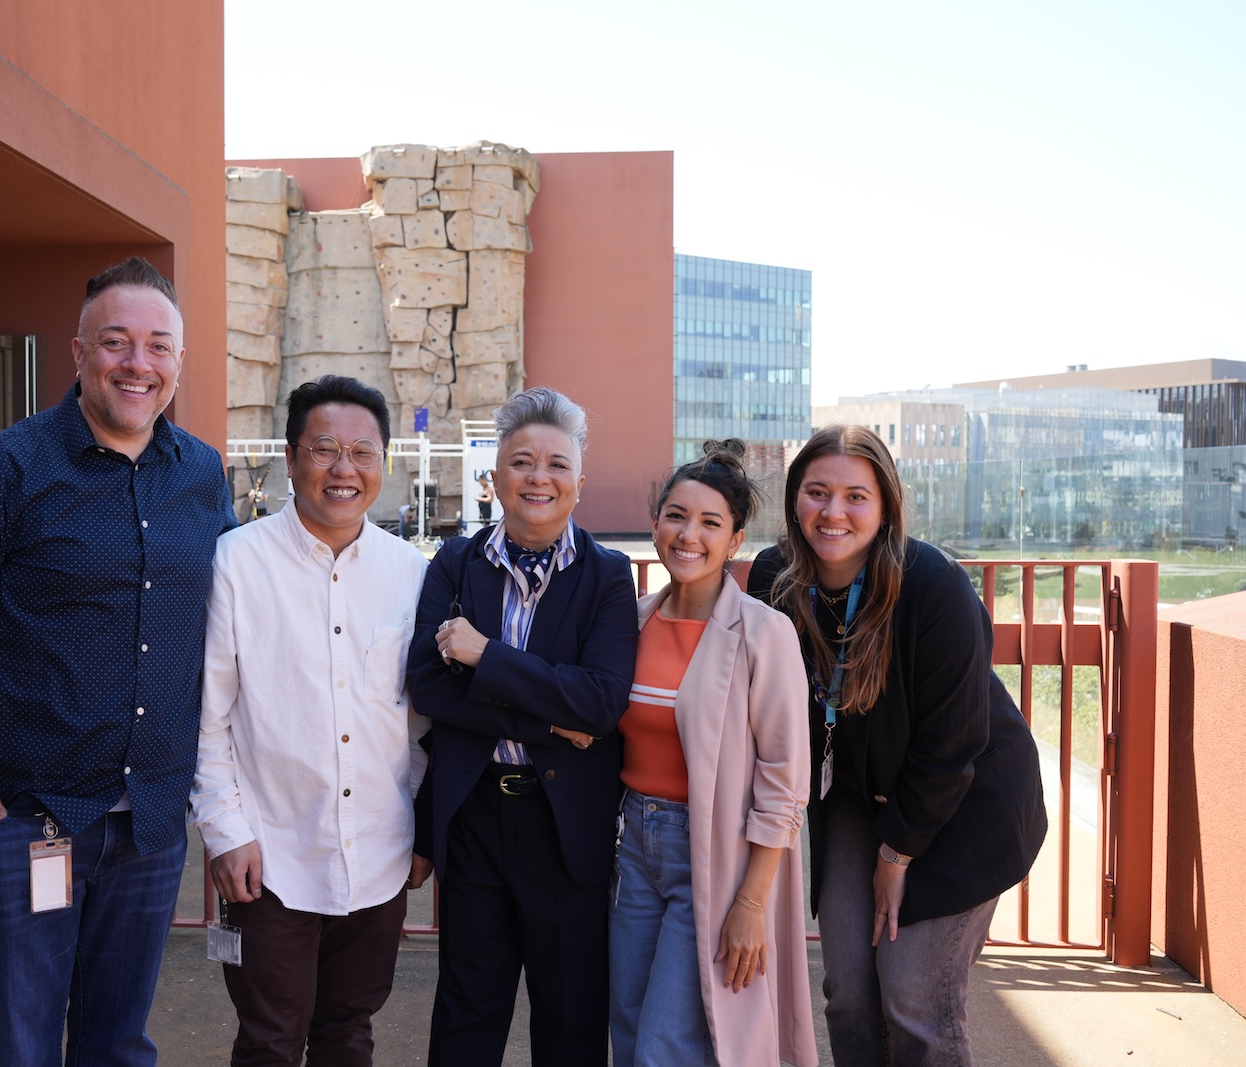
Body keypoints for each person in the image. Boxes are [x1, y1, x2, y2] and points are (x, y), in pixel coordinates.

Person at [0, 256, 235, 1066]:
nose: (137, 363)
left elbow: (230, 627)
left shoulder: (201, 472)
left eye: (158, 346)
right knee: (23, 1044)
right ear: (77, 352)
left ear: (179, 363)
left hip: (151, 825)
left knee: (118, 1042)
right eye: (116, 342)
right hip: (32, 821)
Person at [747, 424, 1048, 1067]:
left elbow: (953, 742)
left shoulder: (931, 583)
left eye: (856, 496)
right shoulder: (774, 577)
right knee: (848, 991)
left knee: (914, 997)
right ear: (795, 499)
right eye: (817, 492)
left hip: (965, 801)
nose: (833, 512)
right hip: (860, 794)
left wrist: (895, 856)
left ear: (886, 507)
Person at [190, 375, 432, 1066]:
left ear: (384, 463)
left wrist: (420, 827)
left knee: (348, 1030)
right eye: (324, 449)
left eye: (362, 451)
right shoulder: (237, 561)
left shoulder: (409, 573)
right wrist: (224, 831)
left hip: (379, 851)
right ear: (291, 458)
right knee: (269, 1038)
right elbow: (211, 716)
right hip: (269, 855)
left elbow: (419, 725)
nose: (343, 468)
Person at [408, 386, 638, 1067]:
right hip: (475, 813)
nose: (539, 477)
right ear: (495, 475)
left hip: (565, 824)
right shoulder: (455, 563)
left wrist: (484, 655)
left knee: (571, 1018)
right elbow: (425, 684)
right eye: (522, 462)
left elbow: (598, 704)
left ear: (578, 482)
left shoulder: (606, 575)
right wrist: (549, 720)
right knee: (467, 1010)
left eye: (556, 464)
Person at [611, 441, 818, 1067]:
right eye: (675, 515)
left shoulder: (763, 632)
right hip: (631, 847)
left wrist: (752, 903)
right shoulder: (632, 620)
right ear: (654, 525)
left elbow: (785, 779)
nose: (688, 534)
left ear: (735, 541)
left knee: (668, 1043)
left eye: (709, 523)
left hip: (713, 851)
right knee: (625, 1021)